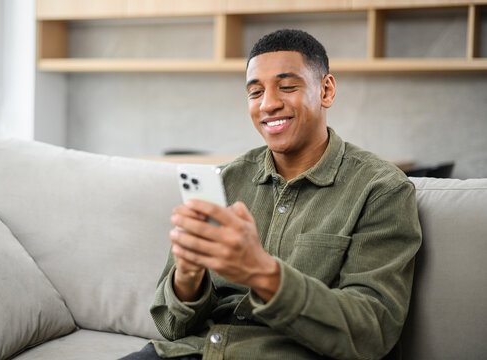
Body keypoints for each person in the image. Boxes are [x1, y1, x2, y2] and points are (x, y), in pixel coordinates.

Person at [120, 29, 422, 360]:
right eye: (255, 92)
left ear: (326, 90)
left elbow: (372, 331)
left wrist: (262, 272)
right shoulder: (225, 180)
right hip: (189, 352)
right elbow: (169, 324)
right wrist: (188, 277)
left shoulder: (381, 189)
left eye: (288, 87)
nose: (268, 104)